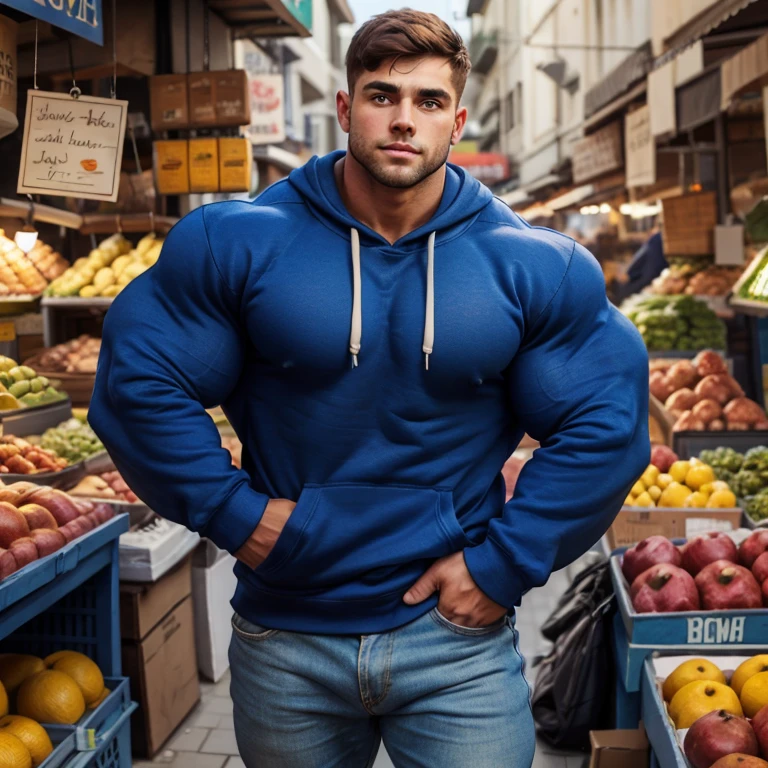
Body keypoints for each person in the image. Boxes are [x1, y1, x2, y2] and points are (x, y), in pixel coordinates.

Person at [89, 10, 650, 768]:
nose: (403, 120)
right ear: (348, 109)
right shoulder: (241, 240)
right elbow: (139, 381)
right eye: (383, 96)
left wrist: (504, 564)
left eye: (426, 102)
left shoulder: (533, 265)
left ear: (456, 121)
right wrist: (231, 514)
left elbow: (606, 424)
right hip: (287, 633)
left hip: (456, 642)